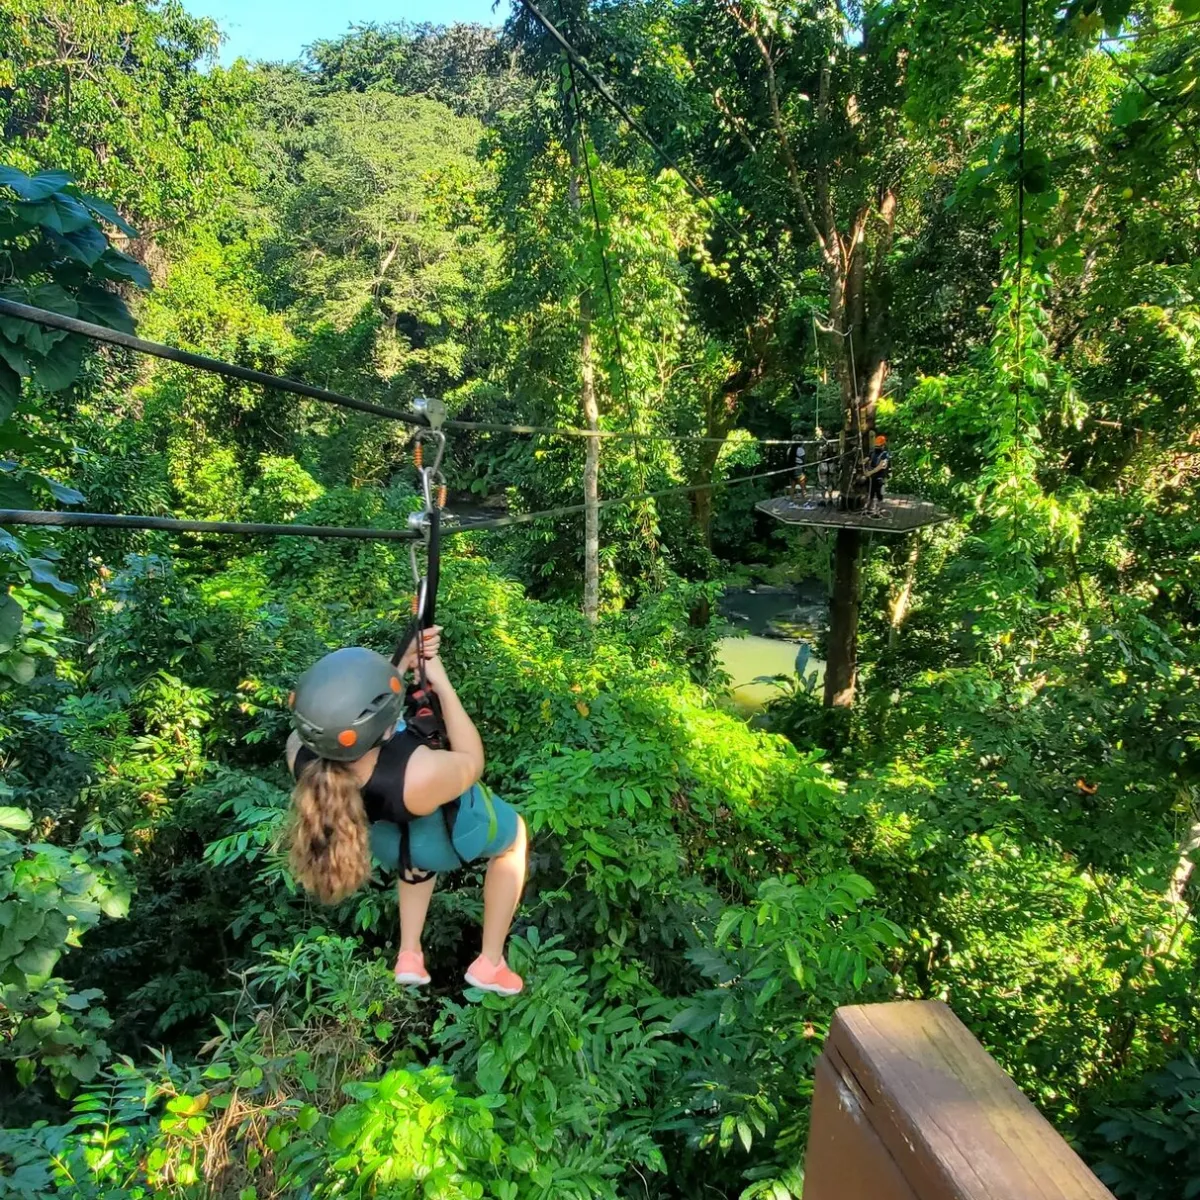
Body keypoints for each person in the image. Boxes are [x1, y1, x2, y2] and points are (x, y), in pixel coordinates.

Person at [284, 633, 528, 995]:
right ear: (379, 724)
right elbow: (472, 762)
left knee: (414, 853)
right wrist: (442, 687)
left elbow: (356, 716)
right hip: (441, 841)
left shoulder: (298, 752)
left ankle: (409, 953)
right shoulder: (418, 775)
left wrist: (403, 659)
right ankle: (490, 961)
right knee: (514, 838)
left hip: (386, 843)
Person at [864, 433, 891, 517]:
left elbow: (880, 466)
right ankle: (868, 510)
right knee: (871, 494)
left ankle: (878, 512)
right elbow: (865, 460)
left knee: (879, 495)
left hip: (880, 477)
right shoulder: (872, 452)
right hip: (871, 478)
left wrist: (869, 473)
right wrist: (861, 461)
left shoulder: (885, 455)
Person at [815, 427, 836, 506]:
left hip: (823, 464)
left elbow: (819, 457)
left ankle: (823, 500)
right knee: (830, 482)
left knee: (823, 483)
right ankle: (830, 499)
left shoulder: (821, 446)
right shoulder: (834, 444)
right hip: (831, 465)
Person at [789, 438, 808, 503]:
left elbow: (787, 459)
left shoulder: (789, 449)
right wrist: (804, 469)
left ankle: (791, 502)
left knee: (792, 487)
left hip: (791, 469)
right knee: (803, 486)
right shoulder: (801, 450)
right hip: (799, 468)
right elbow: (804, 460)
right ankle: (805, 503)